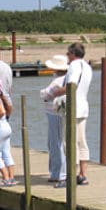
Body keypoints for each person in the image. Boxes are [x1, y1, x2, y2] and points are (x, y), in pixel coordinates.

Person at [52, 42, 93, 187]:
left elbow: (71, 86)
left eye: (68, 53)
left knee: (69, 142)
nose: (67, 56)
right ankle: (83, 175)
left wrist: (57, 92)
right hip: (83, 107)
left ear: (73, 54)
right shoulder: (87, 67)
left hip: (73, 107)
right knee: (81, 141)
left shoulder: (74, 66)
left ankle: (70, 176)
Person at [40, 55, 68, 183]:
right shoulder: (65, 78)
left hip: (55, 113)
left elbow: (46, 94)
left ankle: (59, 173)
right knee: (57, 141)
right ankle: (58, 171)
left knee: (55, 142)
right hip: (59, 112)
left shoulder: (58, 81)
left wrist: (43, 92)